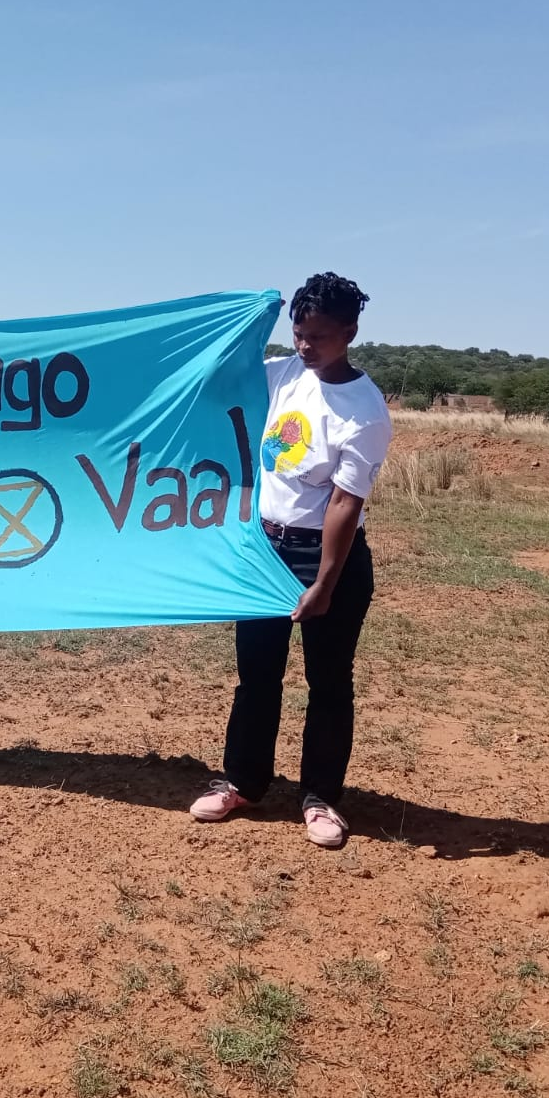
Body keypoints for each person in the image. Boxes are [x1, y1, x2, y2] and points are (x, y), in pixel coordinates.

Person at [189, 274, 393, 847]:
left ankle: (321, 798)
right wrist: (248, 317)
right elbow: (216, 373)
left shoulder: (364, 411)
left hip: (326, 559)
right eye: (299, 334)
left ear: (350, 332)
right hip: (265, 553)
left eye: (319, 337)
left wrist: (325, 584)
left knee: (329, 682)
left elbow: (346, 502)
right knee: (257, 676)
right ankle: (243, 782)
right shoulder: (283, 373)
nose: (306, 347)